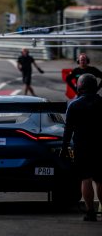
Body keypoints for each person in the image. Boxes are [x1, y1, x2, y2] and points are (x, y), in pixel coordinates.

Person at [60, 73, 102, 221]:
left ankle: (90, 212)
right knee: (100, 180)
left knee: (86, 179)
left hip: (82, 147)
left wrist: (64, 148)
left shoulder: (74, 105)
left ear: (80, 86)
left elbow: (68, 130)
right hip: (100, 147)